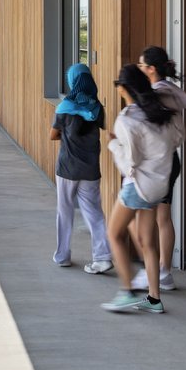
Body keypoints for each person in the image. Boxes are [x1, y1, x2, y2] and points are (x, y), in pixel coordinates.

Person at [101, 66, 184, 314]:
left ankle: (126, 291)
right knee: (147, 242)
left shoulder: (127, 119)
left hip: (136, 187)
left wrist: (113, 143)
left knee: (114, 234)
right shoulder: (162, 114)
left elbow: (130, 164)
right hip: (159, 187)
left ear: (124, 89)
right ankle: (154, 299)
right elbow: (178, 138)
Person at [128, 46, 186, 292]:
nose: (139, 68)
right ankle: (163, 272)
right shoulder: (171, 90)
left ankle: (154, 271)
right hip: (170, 159)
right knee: (162, 218)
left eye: (141, 65)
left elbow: (146, 125)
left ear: (151, 69)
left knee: (140, 216)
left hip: (157, 162)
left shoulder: (158, 93)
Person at [50, 63, 112, 274]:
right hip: (91, 169)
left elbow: (53, 135)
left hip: (67, 168)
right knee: (94, 213)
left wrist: (66, 134)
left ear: (73, 81)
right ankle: (102, 257)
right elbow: (96, 127)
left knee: (65, 211)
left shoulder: (65, 106)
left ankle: (63, 256)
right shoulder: (97, 108)